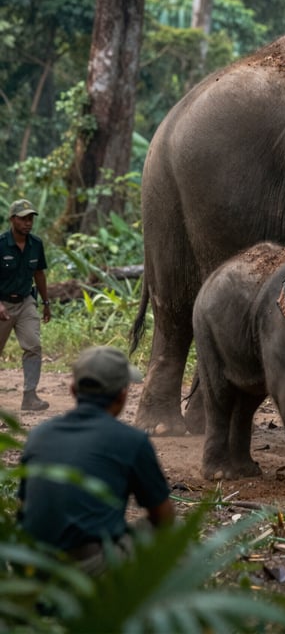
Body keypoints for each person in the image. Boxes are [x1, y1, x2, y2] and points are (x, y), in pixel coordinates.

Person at [18, 346, 175, 576]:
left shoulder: (39, 434)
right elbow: (163, 516)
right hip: (90, 568)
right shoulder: (131, 441)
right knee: (177, 531)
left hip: (33, 565)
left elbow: (24, 508)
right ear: (123, 395)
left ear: (72, 390)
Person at [0, 198, 51, 411]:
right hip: (2, 303)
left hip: (26, 302)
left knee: (33, 346)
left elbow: (39, 274)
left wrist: (46, 302)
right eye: (23, 219)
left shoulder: (36, 244)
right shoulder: (1, 244)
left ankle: (30, 397)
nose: (28, 223)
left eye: (30, 218)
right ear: (12, 219)